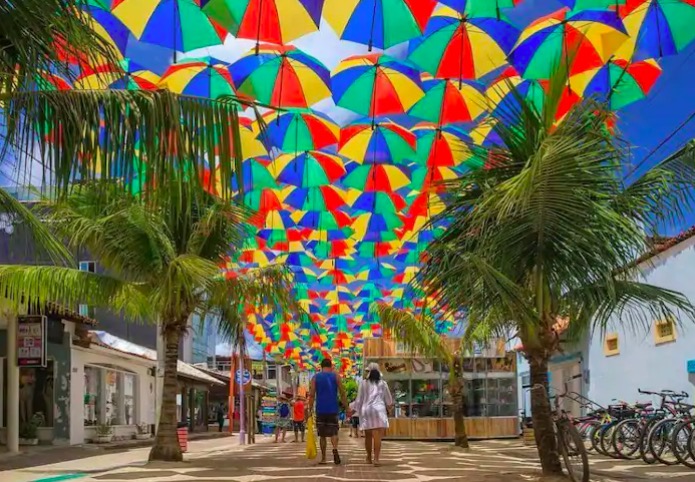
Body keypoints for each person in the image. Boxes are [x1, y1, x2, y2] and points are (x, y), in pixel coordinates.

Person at [307, 358, 348, 465]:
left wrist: (309, 409)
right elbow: (342, 393)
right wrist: (347, 407)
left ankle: (324, 458)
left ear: (321, 366)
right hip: (333, 409)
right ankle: (334, 449)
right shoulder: (336, 376)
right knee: (334, 432)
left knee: (322, 435)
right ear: (331, 366)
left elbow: (311, 395)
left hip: (320, 409)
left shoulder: (315, 377)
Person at [354, 362, 393, 467]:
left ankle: (368, 457)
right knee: (377, 436)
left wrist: (354, 409)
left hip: (366, 410)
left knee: (368, 436)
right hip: (379, 410)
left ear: (369, 372)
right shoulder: (383, 383)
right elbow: (389, 400)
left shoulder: (363, 383)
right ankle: (376, 459)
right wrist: (389, 407)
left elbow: (359, 399)